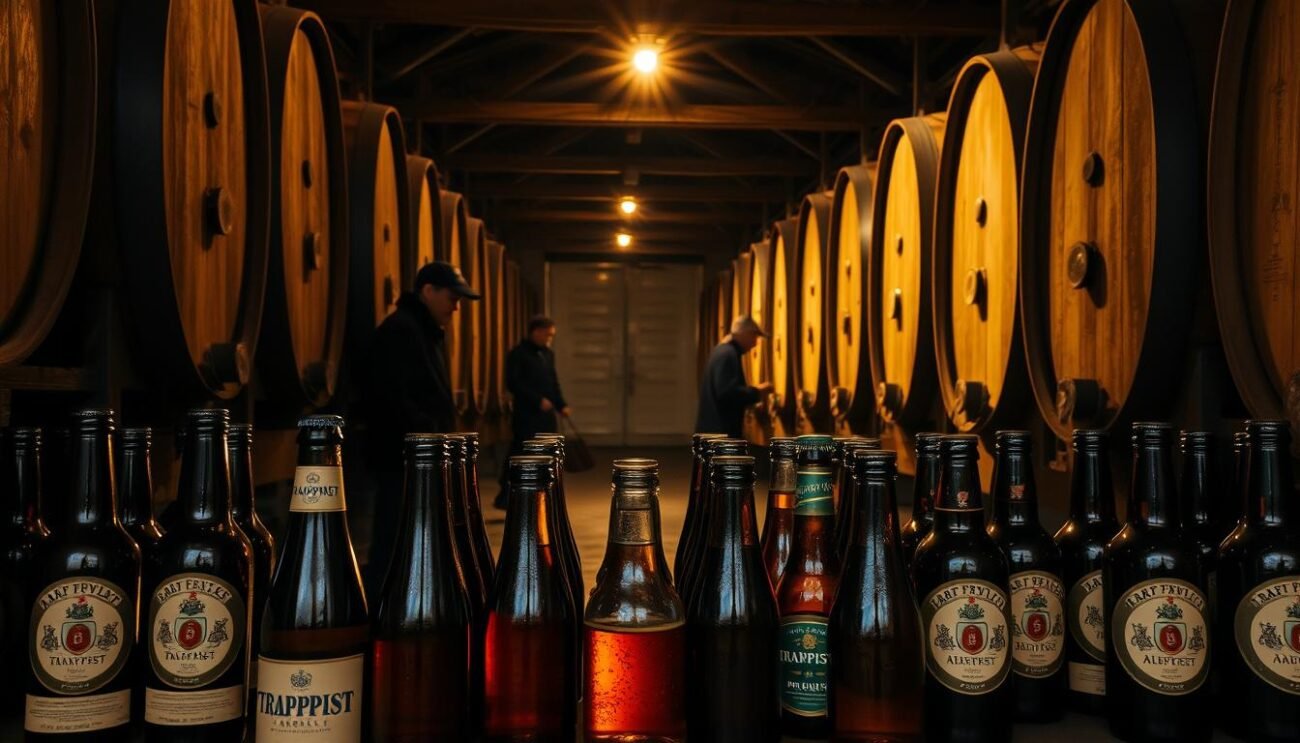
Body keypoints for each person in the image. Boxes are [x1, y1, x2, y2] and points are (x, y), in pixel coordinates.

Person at [362, 261, 480, 587]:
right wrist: (429, 438)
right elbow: (393, 400)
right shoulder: (401, 331)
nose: (455, 308)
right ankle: (382, 608)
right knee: (393, 539)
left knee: (411, 538)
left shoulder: (419, 329)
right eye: (452, 299)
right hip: (402, 459)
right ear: (428, 291)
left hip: (418, 459)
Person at [497, 316, 570, 507]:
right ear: (536, 331)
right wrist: (537, 400)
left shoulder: (547, 354)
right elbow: (514, 383)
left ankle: (542, 493)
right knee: (522, 453)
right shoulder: (518, 354)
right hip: (526, 414)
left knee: (546, 453)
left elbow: (553, 382)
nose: (549, 339)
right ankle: (508, 495)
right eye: (547, 335)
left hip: (546, 415)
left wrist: (561, 404)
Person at [695, 315, 772, 438]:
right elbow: (727, 393)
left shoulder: (722, 351)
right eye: (754, 336)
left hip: (713, 432)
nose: (755, 343)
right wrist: (757, 391)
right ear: (744, 333)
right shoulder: (728, 354)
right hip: (720, 433)